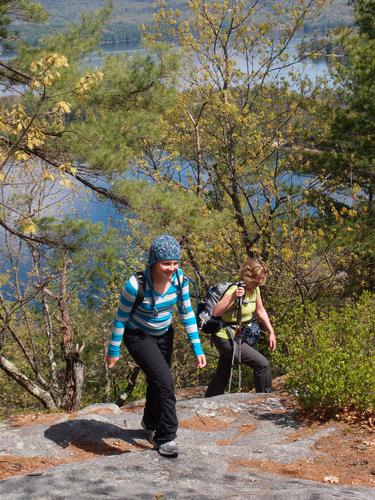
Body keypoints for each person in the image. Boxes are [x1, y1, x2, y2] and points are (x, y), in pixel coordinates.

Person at [106, 234, 206, 458]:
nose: (171, 268)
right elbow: (121, 318)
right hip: (138, 336)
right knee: (165, 382)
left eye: (175, 262)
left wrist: (197, 347)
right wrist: (114, 350)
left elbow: (187, 313)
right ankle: (166, 436)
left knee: (157, 381)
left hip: (164, 334)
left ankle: (149, 422)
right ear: (153, 262)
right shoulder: (135, 286)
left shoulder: (181, 281)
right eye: (166, 263)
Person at [205, 257, 276, 397]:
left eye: (262, 279)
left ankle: (209, 400)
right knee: (262, 364)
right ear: (249, 276)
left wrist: (271, 332)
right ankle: (265, 400)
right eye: (257, 279)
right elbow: (216, 311)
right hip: (226, 337)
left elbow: (260, 310)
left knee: (223, 372)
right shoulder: (235, 289)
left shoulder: (255, 290)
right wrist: (233, 297)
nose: (260, 282)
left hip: (239, 336)